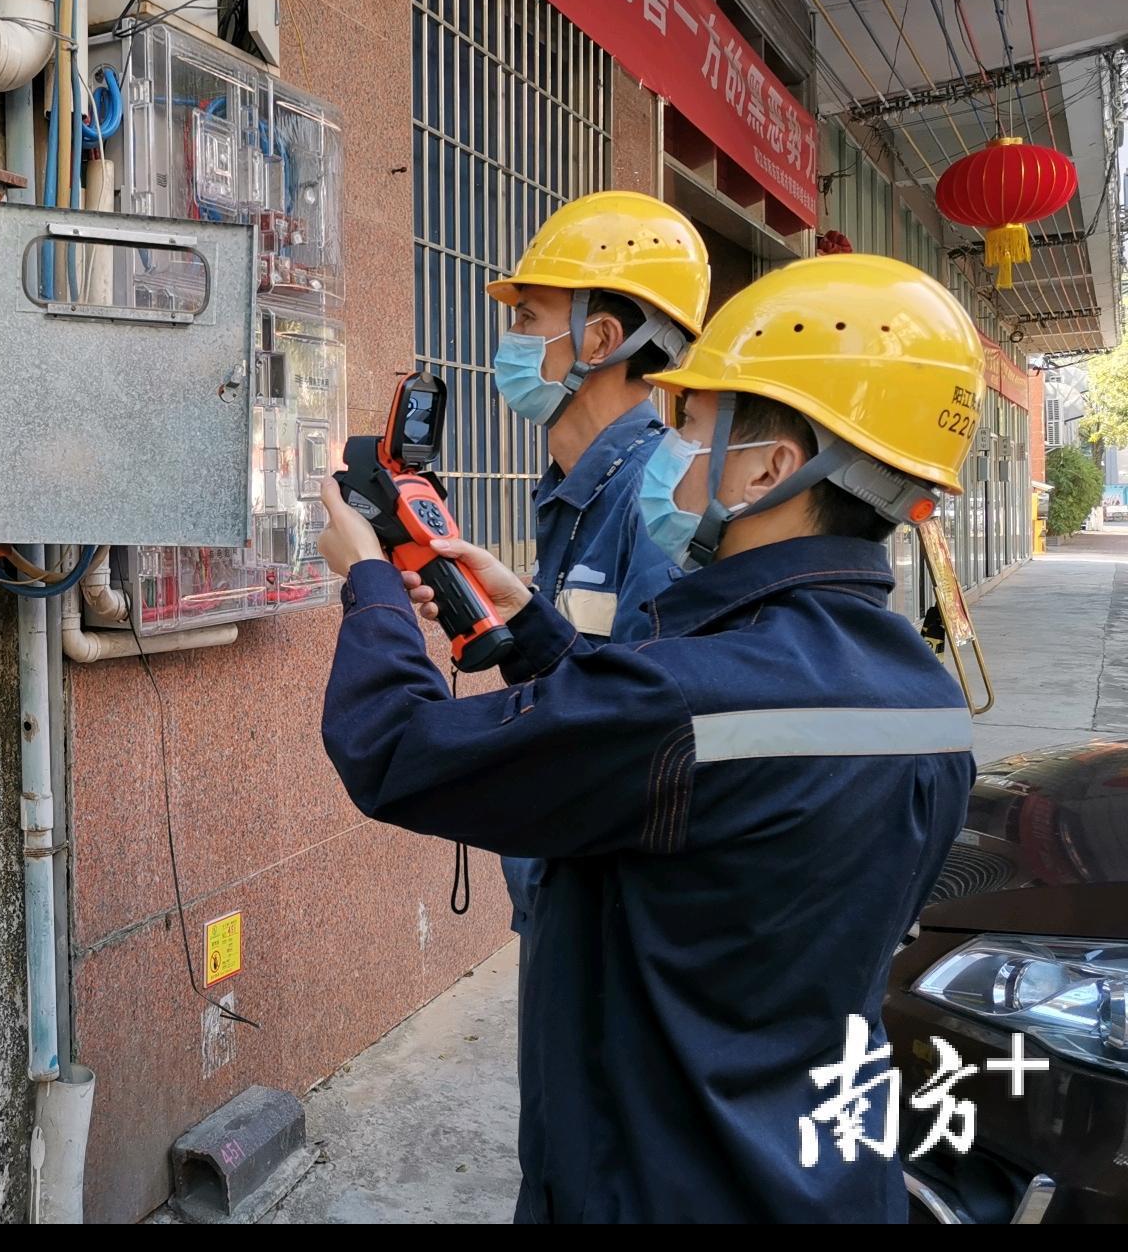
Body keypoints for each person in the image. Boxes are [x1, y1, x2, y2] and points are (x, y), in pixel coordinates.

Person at [316, 254, 981, 1222]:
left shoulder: (680, 699)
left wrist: (368, 580)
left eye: (688, 422)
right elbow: (700, 802)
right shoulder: (926, 704)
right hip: (825, 1177)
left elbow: (390, 746)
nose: (664, 444)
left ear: (769, 468)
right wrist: (537, 634)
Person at [487, 193, 711, 979]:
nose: (510, 342)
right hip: (565, 884)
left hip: (614, 915)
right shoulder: (574, 488)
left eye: (528, 318)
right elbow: (581, 659)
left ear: (602, 338)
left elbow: (646, 725)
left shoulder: (651, 501)